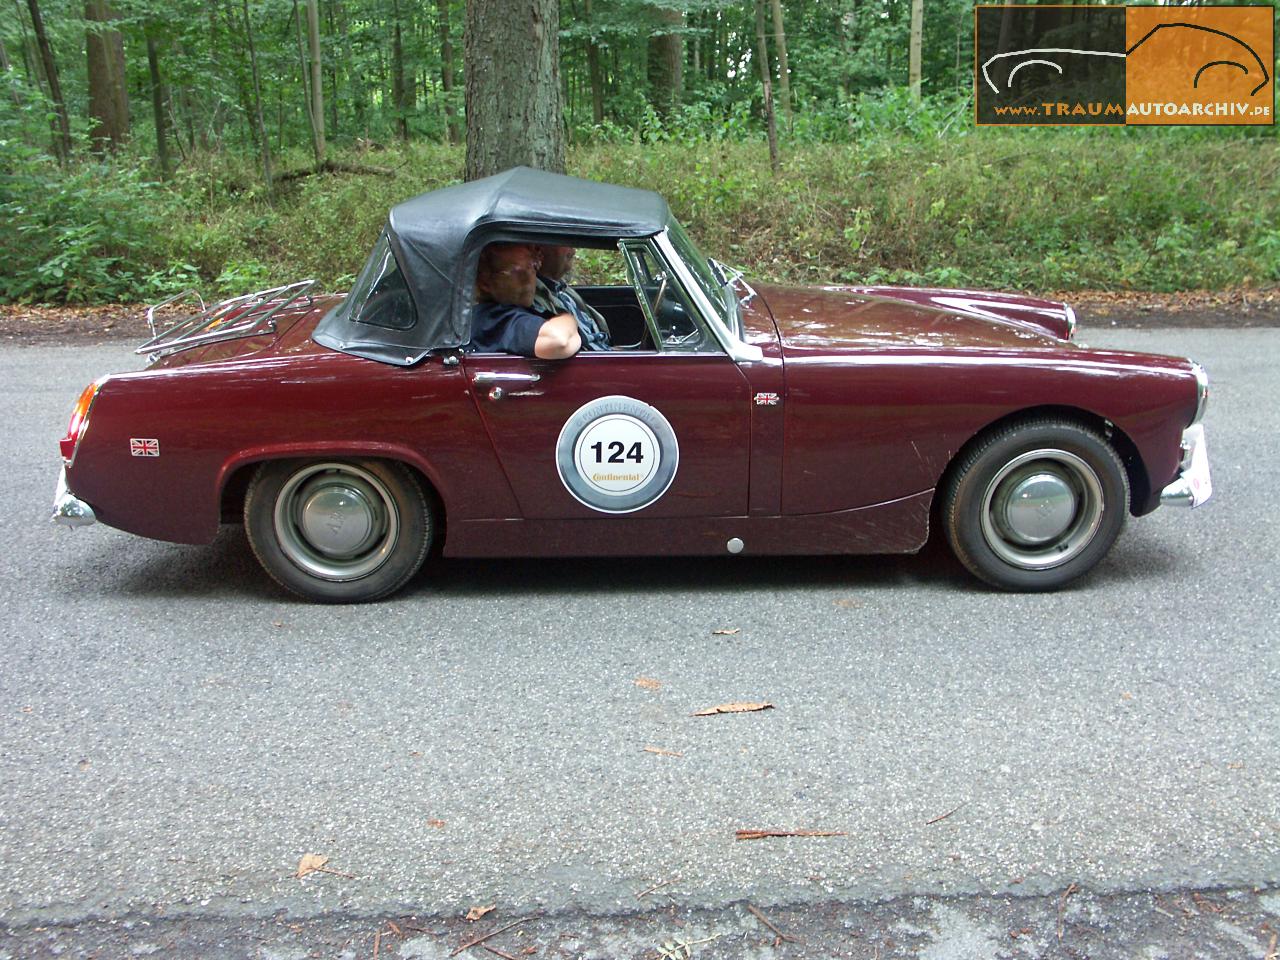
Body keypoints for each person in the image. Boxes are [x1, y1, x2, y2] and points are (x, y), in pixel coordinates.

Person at [468, 243, 580, 358]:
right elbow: (558, 341)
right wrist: (568, 318)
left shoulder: (513, 308)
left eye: (532, 267)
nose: (529, 279)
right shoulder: (494, 319)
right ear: (485, 282)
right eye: (518, 272)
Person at [532, 245, 611, 351]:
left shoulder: (562, 290)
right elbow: (564, 344)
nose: (573, 250)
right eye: (565, 243)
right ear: (539, 251)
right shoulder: (531, 298)